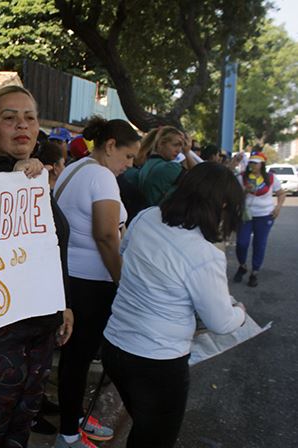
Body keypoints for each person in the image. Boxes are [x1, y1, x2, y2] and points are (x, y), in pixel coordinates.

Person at [0, 85, 74, 448]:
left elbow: (50, 247)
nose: (22, 125)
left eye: (29, 117)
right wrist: (9, 188)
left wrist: (62, 303)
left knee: (21, 425)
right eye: (9, 117)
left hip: (39, 327)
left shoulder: (35, 180)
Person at [102, 163, 247, 448]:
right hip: (156, 363)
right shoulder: (204, 255)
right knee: (155, 438)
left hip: (114, 346)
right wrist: (239, 313)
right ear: (223, 205)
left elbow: (124, 254)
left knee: (144, 428)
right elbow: (221, 321)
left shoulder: (146, 217)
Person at [53, 116, 141, 448]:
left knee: (73, 357)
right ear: (110, 146)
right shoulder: (101, 175)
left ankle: (73, 417)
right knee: (78, 358)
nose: (129, 165)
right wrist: (123, 281)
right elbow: (106, 235)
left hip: (71, 276)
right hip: (90, 280)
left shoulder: (77, 168)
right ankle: (69, 435)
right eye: (128, 156)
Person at [233, 152, 286, 287]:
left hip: (265, 216)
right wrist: (245, 191)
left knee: (259, 244)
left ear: (262, 164)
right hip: (246, 215)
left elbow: (281, 193)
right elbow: (236, 196)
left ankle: (254, 273)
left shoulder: (271, 178)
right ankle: (242, 266)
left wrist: (278, 207)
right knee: (241, 243)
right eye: (250, 162)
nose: (252, 165)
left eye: (255, 163)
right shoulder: (242, 177)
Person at [138, 126, 197, 207]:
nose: (179, 150)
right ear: (161, 143)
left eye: (181, 146)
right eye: (176, 145)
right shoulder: (169, 168)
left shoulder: (146, 164)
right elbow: (200, 178)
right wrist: (187, 153)